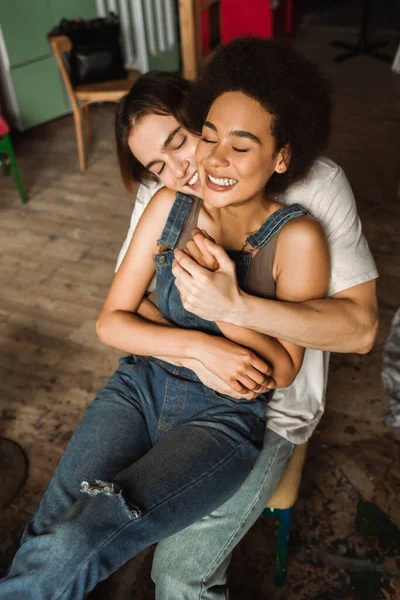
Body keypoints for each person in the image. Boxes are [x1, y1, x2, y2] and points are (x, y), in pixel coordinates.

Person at [0, 38, 334, 599]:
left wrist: (221, 304)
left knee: (77, 539)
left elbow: (278, 371)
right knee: (49, 528)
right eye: (204, 142)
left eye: (193, 140)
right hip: (139, 385)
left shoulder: (296, 237)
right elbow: (111, 322)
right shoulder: (167, 207)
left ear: (279, 157)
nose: (203, 161)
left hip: (222, 418)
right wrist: (198, 347)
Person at [113, 50, 378, 599]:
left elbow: (358, 331)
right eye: (156, 167)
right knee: (87, 523)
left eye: (184, 142)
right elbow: (121, 305)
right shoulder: (164, 196)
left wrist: (232, 308)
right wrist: (199, 351)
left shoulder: (315, 193)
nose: (185, 169)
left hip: (270, 409)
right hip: (176, 380)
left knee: (180, 571)